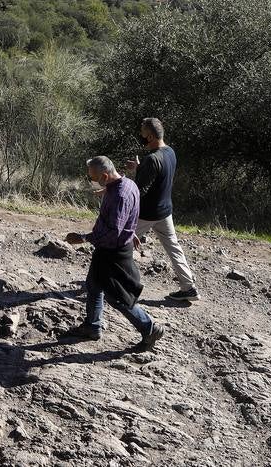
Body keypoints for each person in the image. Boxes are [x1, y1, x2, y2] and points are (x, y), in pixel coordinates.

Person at [63, 156, 164, 348]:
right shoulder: (127, 184)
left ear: (105, 175)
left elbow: (112, 232)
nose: (91, 181)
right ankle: (92, 326)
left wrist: (83, 238)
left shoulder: (120, 196)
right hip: (110, 248)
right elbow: (129, 214)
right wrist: (131, 231)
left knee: (117, 296)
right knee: (93, 285)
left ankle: (149, 328)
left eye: (93, 178)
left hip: (113, 252)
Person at [125, 117, 198, 301]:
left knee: (118, 242)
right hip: (165, 212)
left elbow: (139, 192)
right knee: (174, 248)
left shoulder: (152, 159)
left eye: (142, 134)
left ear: (150, 137)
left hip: (147, 214)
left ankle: (109, 281)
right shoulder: (170, 152)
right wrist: (141, 168)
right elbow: (159, 175)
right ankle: (188, 287)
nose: (141, 138)